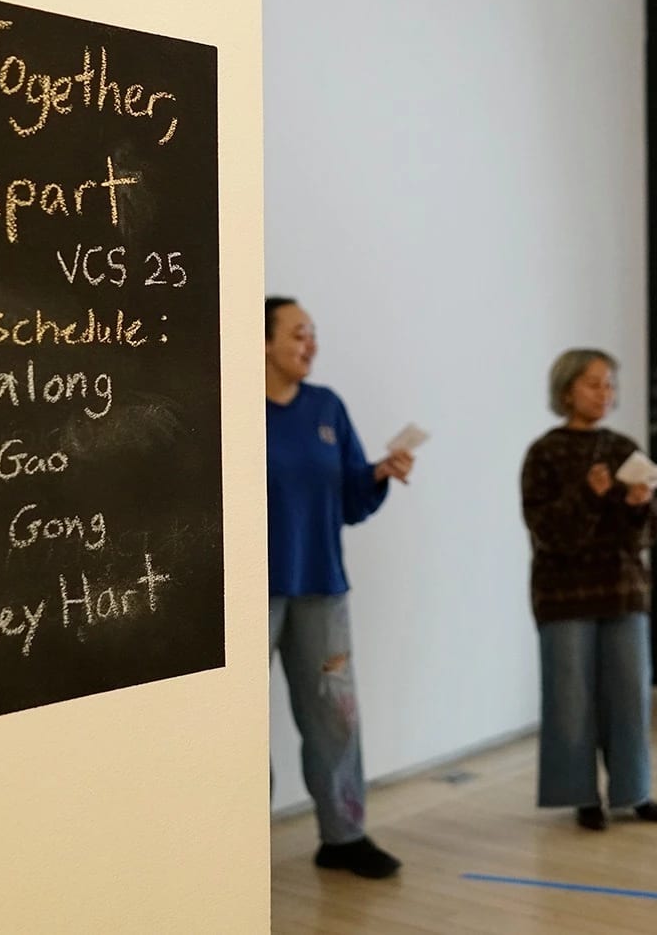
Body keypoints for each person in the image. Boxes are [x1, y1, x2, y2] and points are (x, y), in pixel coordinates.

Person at [265, 296, 414, 879]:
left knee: (337, 716)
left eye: (314, 334)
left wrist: (378, 473)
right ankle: (236, 849)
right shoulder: (229, 407)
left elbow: (350, 500)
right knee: (239, 729)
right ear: (263, 342)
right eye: (299, 333)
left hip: (323, 589)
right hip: (246, 597)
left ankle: (344, 837)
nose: (311, 344)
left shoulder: (328, 407)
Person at [519, 347, 657, 831]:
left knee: (630, 696)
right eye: (593, 384)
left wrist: (637, 504)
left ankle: (635, 791)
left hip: (623, 591)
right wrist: (588, 494)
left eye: (609, 384)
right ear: (567, 390)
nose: (604, 393)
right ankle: (581, 795)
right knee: (570, 698)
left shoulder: (624, 446)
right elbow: (547, 530)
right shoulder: (544, 453)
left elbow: (647, 534)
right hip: (563, 596)